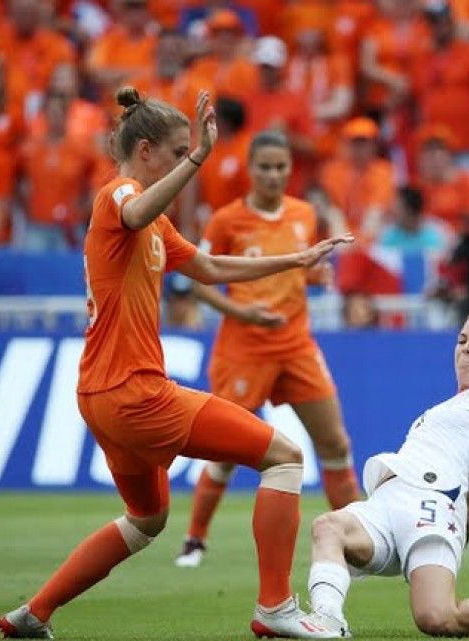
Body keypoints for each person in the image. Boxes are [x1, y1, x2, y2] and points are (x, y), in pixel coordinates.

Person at [0, 87, 353, 639]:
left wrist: (296, 259)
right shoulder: (118, 195)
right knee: (284, 457)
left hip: (100, 395)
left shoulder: (153, 223)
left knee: (146, 520)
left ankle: (32, 614)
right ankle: (275, 607)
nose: (189, 155)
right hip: (134, 390)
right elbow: (136, 209)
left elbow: (208, 268)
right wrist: (199, 158)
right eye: (178, 149)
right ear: (145, 151)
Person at [302, 267, 469, 638]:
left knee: (438, 619)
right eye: (462, 339)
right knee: (328, 526)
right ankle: (328, 622)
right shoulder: (454, 409)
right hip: (387, 502)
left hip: (429, 508)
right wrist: (457, 542)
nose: (465, 348)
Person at [175, 130, 362, 568]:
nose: (274, 174)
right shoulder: (226, 220)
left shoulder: (304, 214)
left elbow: (299, 272)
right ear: (251, 169)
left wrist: (317, 278)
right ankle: (195, 539)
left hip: (296, 345)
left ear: (289, 170)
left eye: (281, 167)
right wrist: (245, 315)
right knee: (224, 451)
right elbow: (199, 286)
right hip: (243, 348)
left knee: (335, 443)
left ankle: (355, 545)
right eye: (265, 166)